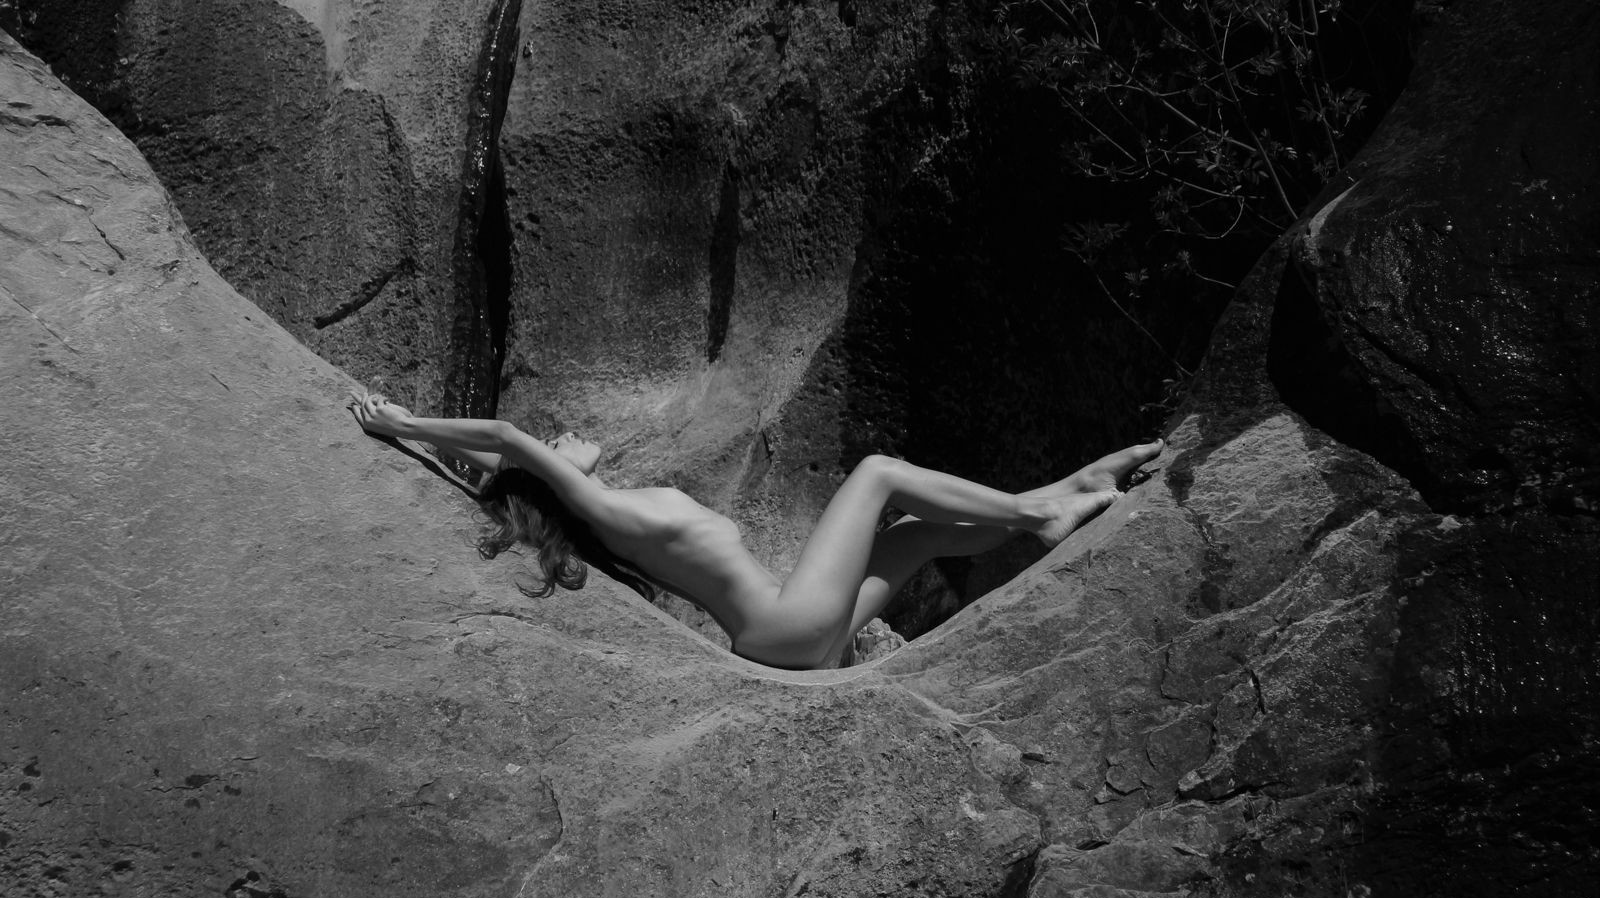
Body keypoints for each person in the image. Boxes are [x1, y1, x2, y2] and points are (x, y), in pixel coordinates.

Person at [349, 392, 1162, 670]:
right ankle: (1040, 512)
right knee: (878, 471)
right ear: (556, 481)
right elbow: (504, 441)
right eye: (555, 446)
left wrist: (417, 435)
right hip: (786, 625)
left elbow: (501, 465)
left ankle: (1061, 494)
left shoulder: (616, 511)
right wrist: (401, 425)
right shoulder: (604, 509)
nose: (561, 436)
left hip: (790, 630)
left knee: (918, 533)